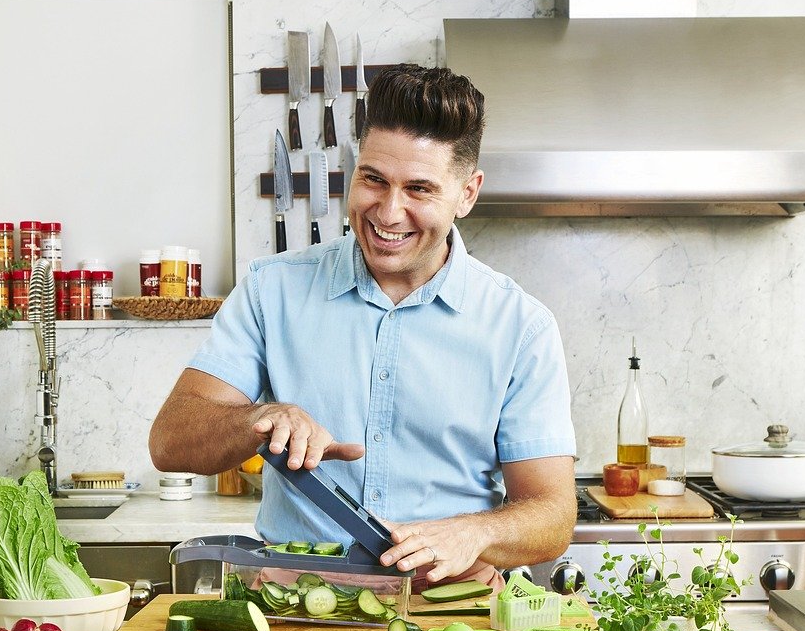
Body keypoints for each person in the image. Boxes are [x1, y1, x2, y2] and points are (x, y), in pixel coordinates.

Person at [149, 64, 576, 587]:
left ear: (467, 193)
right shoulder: (271, 290)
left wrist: (472, 534)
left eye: (419, 189)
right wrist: (260, 419)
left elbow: (553, 515)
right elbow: (170, 441)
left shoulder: (520, 326)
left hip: (452, 619)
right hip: (293, 613)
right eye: (373, 179)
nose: (388, 212)